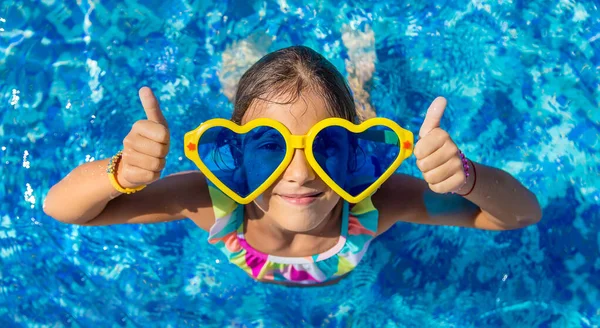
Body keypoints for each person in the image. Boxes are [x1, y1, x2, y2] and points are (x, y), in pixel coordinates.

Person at [43, 46, 542, 286]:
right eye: (266, 145)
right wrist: (120, 175)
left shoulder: (376, 201)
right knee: (298, 109)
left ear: (354, 156)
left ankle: (354, 80)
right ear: (234, 154)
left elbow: (519, 215)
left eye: (326, 148)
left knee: (347, 107)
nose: (299, 173)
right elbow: (64, 208)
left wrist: (466, 177)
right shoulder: (204, 200)